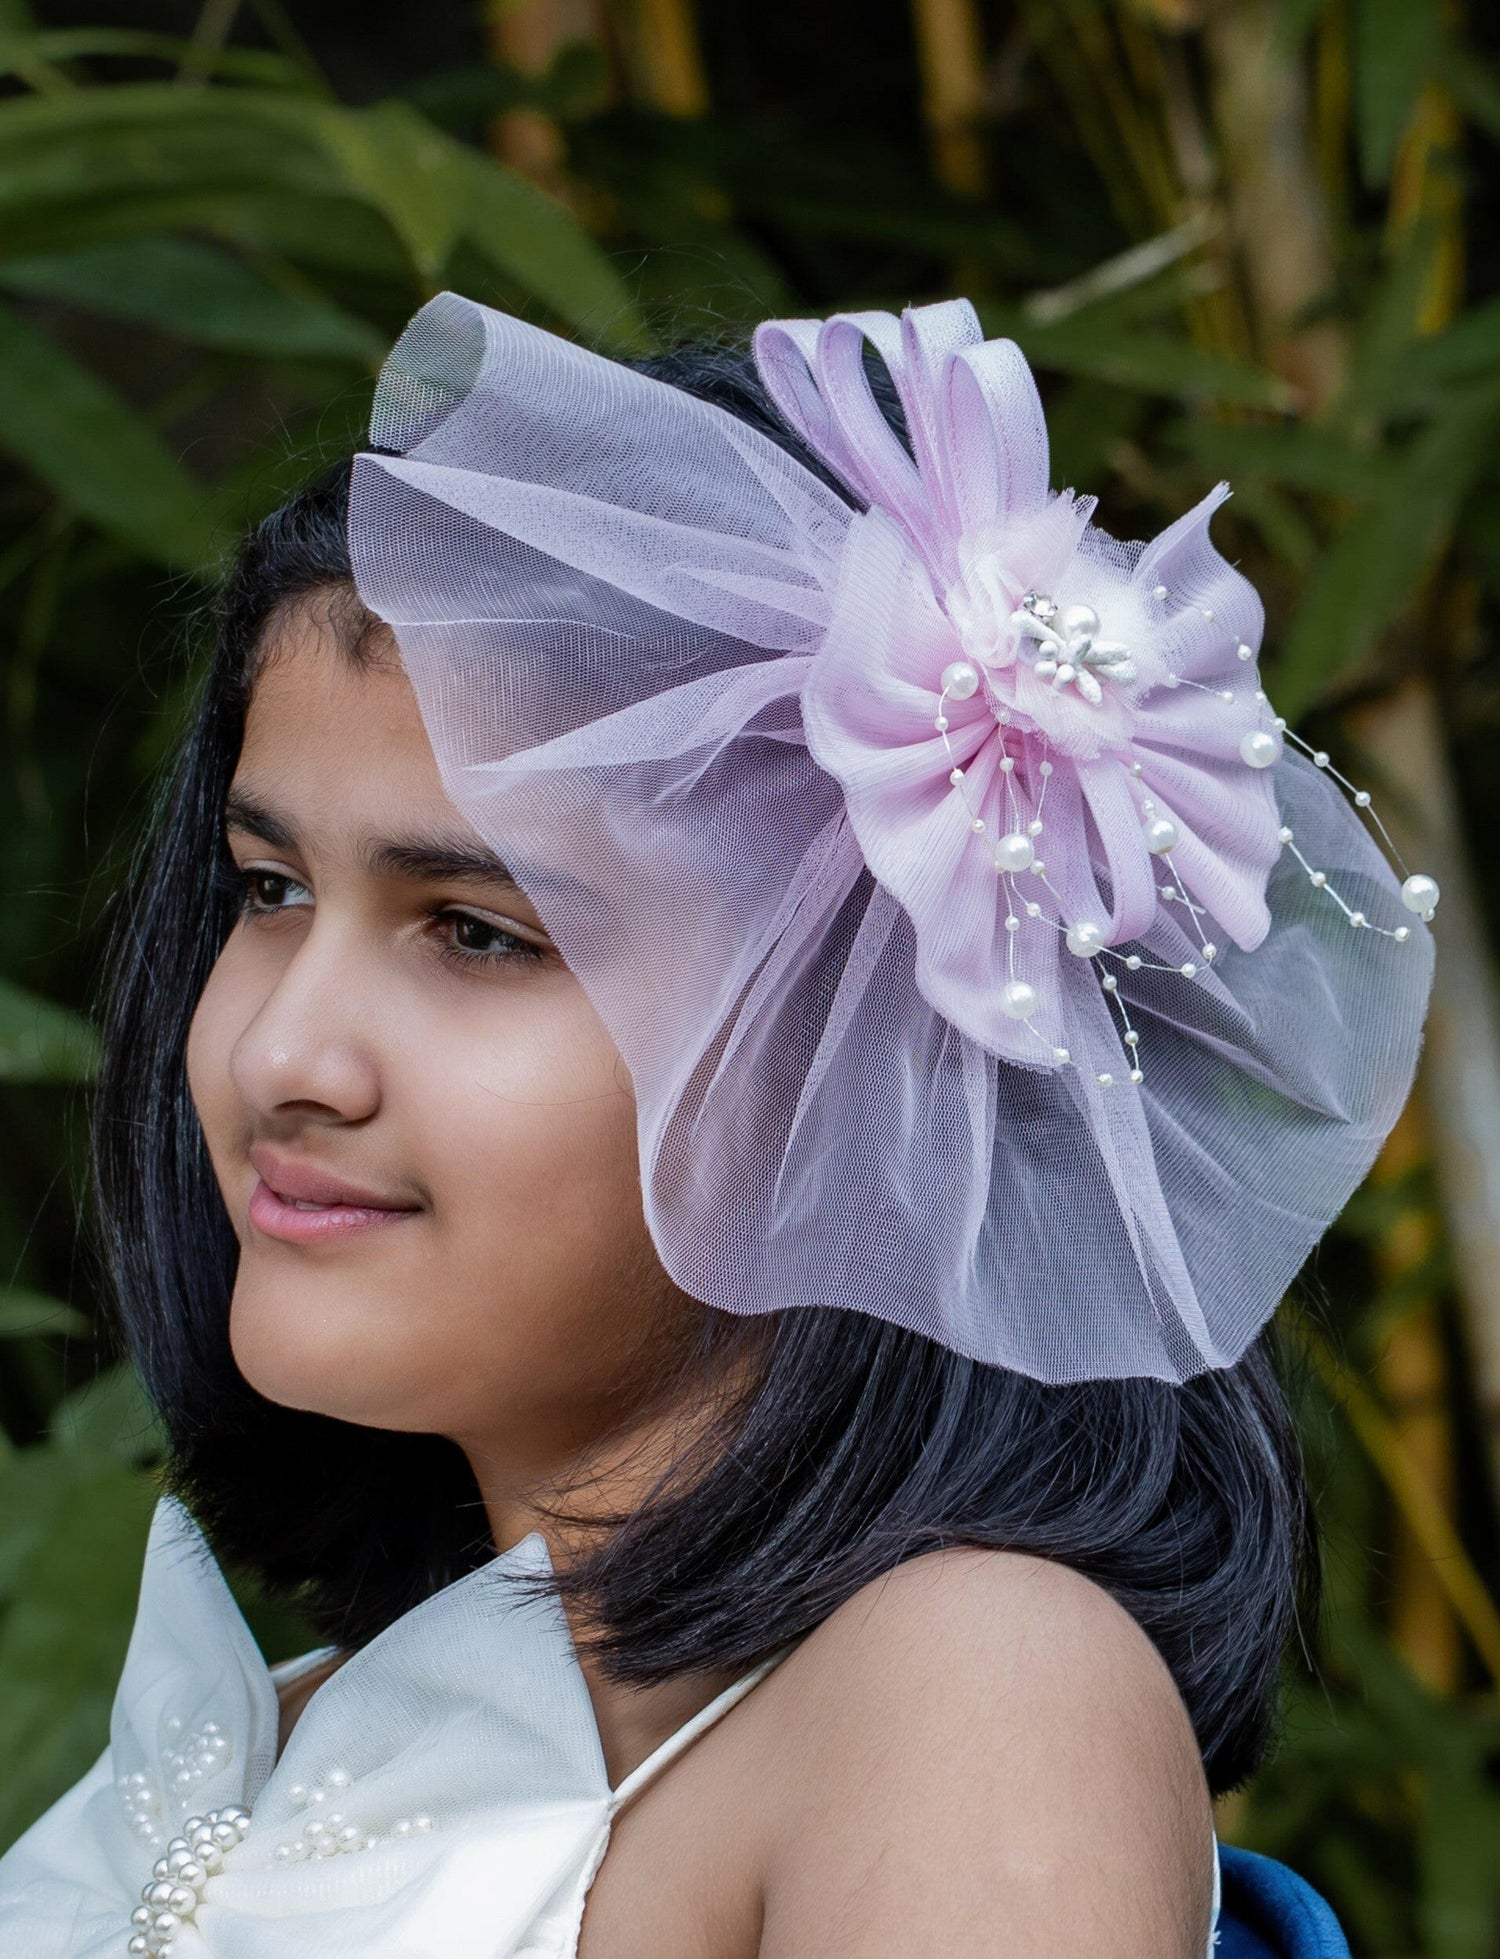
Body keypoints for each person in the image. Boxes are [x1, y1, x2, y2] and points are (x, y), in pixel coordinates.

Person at [0, 294, 1434, 1957]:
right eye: (266, 891)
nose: (281, 1053)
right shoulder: (294, 1730)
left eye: (480, 932)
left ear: (844, 1053)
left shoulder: (965, 1696)